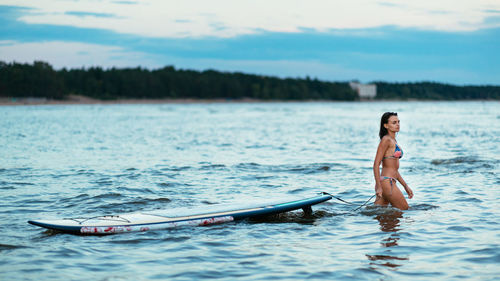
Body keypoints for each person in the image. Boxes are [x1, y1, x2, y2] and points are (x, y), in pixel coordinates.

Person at [373, 112, 413, 210]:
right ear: (386, 125)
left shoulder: (393, 141)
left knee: (384, 218)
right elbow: (376, 164)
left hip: (388, 182)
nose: (398, 124)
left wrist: (405, 186)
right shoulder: (386, 140)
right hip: (387, 182)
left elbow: (394, 169)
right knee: (404, 209)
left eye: (398, 122)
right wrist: (378, 186)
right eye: (394, 122)